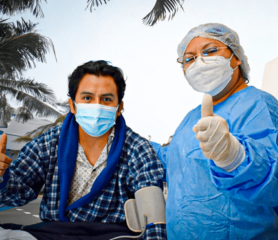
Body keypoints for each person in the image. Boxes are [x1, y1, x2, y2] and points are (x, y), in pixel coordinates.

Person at [151, 23, 278, 239]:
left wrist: (234, 156)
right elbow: (170, 159)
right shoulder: (189, 119)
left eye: (210, 51)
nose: (199, 62)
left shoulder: (260, 106)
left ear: (236, 57)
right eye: (189, 59)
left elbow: (275, 181)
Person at [0, 61, 166, 239]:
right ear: (72, 105)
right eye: (87, 98)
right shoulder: (49, 143)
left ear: (119, 108)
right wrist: (1, 176)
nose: (97, 106)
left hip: (113, 236)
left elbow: (153, 216)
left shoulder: (139, 149)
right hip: (53, 233)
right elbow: (16, 191)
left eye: (107, 99)